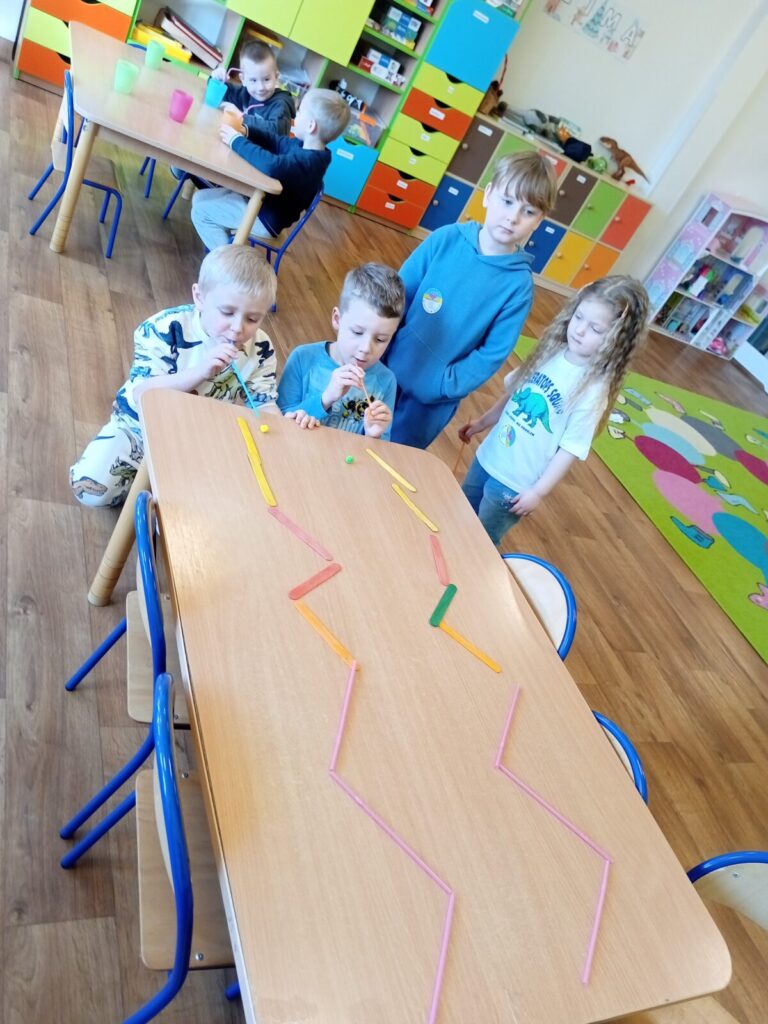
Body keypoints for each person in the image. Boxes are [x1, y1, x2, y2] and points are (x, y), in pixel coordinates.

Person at [70, 246, 279, 508]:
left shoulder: (260, 347)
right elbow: (142, 393)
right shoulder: (164, 328)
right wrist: (200, 371)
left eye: (253, 319)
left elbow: (263, 404)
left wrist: (282, 424)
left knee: (211, 505)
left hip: (199, 437)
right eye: (227, 312)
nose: (238, 328)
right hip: (137, 428)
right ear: (199, 297)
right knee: (90, 490)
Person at [381, 151, 558, 450]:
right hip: (384, 368)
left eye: (528, 211)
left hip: (430, 403)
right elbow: (398, 295)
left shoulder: (518, 286)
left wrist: (444, 384)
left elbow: (492, 353)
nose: (513, 217)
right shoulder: (446, 238)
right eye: (507, 201)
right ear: (487, 195)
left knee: (393, 458)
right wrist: (379, 347)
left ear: (539, 221)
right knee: (351, 434)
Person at [459, 275, 649, 545]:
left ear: (617, 340)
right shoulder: (551, 351)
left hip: (514, 485)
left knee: (481, 540)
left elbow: (570, 449)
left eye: (596, 329)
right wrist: (482, 421)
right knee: (460, 514)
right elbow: (516, 395)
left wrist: (538, 492)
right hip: (489, 457)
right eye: (579, 317)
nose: (579, 330)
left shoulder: (593, 390)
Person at [190, 88, 351, 251]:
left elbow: (272, 166)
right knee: (200, 198)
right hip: (259, 201)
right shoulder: (304, 146)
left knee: (201, 213)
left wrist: (236, 141)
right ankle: (226, 246)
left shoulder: (309, 162)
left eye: (300, 111)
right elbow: (276, 141)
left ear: (311, 126)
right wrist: (246, 131)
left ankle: (226, 262)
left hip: (265, 218)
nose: (295, 116)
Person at [276, 263, 404, 440]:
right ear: (337, 319)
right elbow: (279, 422)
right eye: (357, 332)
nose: (366, 348)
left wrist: (373, 435)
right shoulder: (303, 359)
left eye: (381, 339)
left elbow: (379, 445)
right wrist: (326, 398)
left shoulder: (386, 381)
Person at [212, 39, 296, 136]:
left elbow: (276, 132)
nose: (260, 87)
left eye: (266, 79)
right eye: (253, 80)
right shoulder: (246, 93)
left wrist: (241, 116)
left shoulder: (281, 105)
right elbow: (222, 93)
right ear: (243, 79)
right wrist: (217, 79)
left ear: (276, 77)